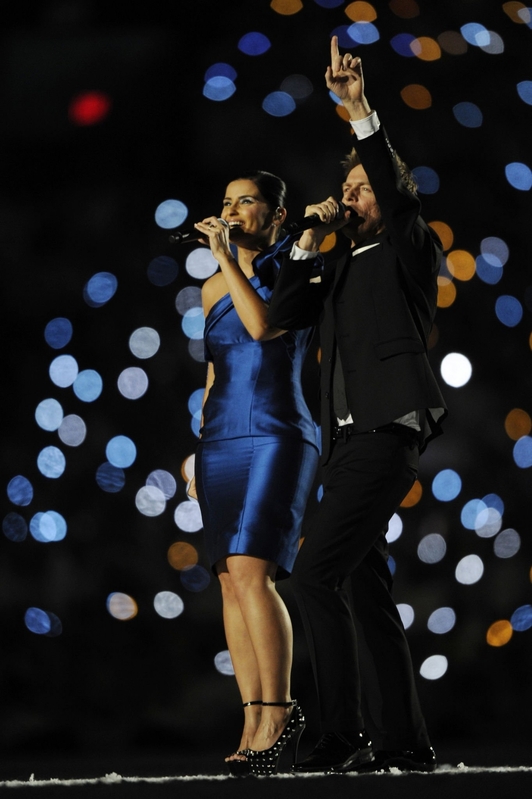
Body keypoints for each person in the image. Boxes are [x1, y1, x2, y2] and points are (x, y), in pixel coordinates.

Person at [267, 36, 447, 774]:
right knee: (366, 588)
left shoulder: (409, 241)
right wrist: (308, 243)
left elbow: (392, 189)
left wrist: (358, 109)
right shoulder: (337, 267)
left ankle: (341, 733)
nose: (351, 196)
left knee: (313, 576)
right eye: (346, 189)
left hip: (386, 427)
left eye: (361, 188)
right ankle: (404, 742)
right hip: (345, 441)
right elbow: (282, 312)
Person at [187, 170, 319, 776]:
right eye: (226, 203)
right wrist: (195, 448)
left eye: (247, 202)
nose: (233, 211)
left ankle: (280, 709)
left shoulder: (298, 263)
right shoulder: (213, 288)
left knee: (253, 571)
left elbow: (264, 329)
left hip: (275, 430)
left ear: (276, 214)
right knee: (228, 579)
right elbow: (215, 372)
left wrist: (225, 259)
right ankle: (251, 717)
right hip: (221, 439)